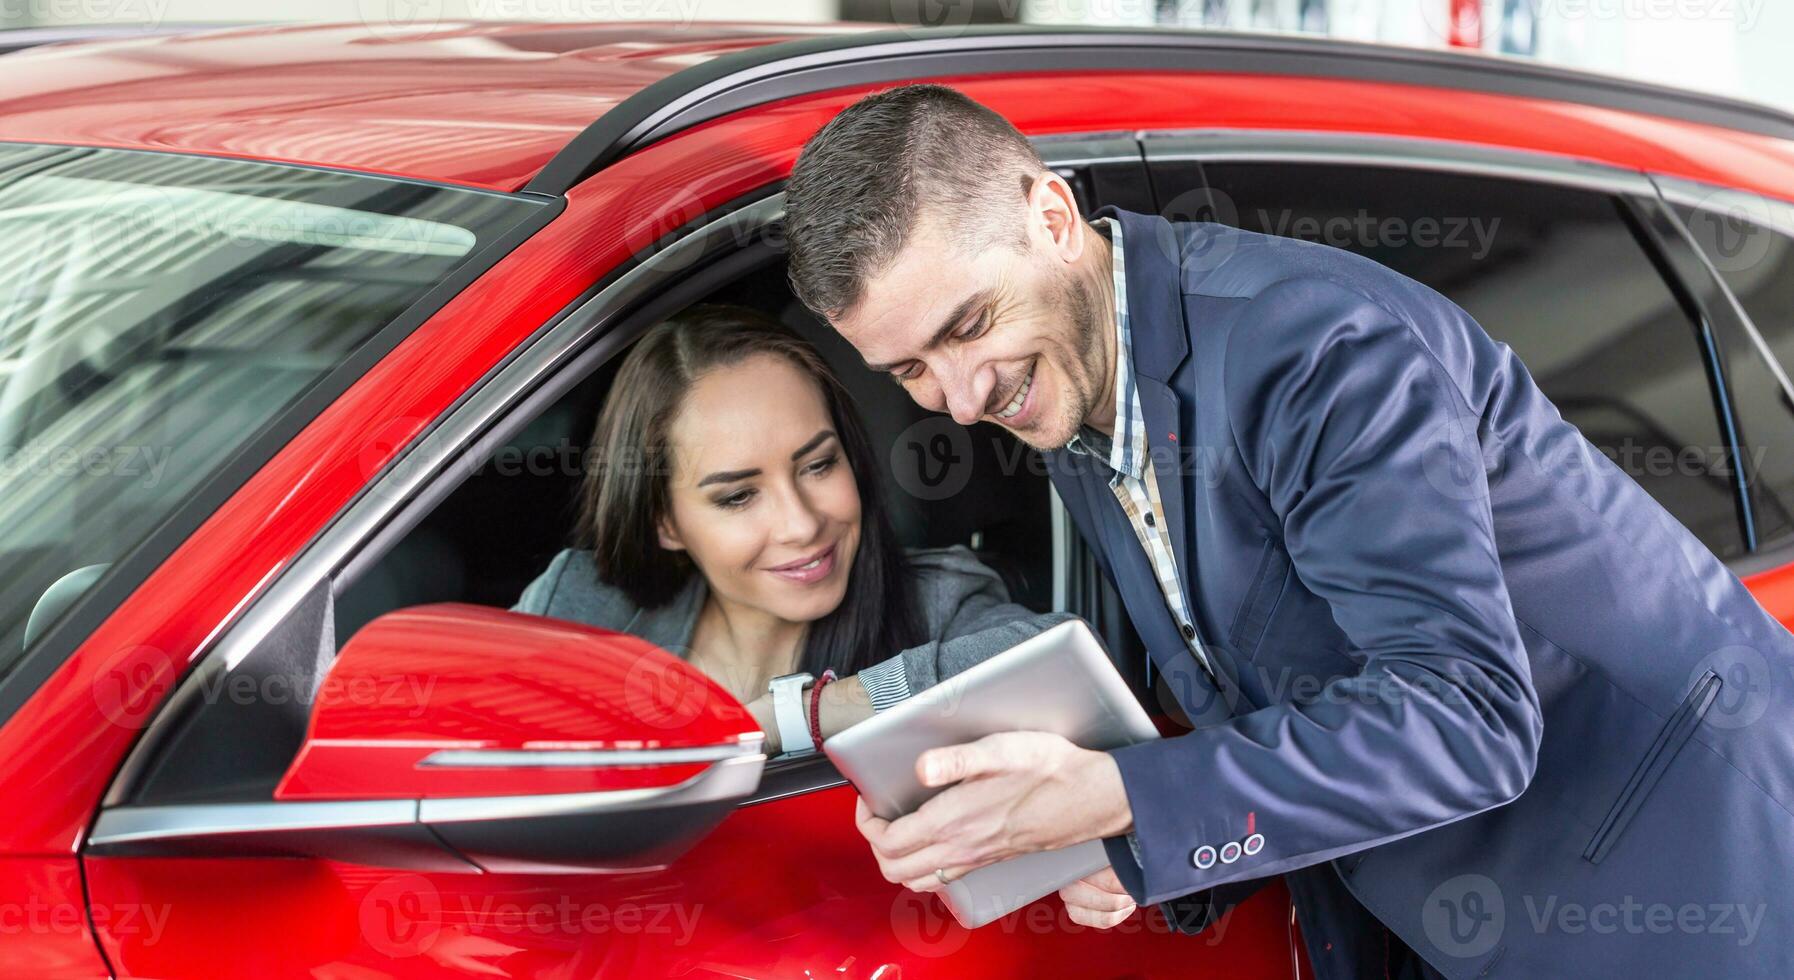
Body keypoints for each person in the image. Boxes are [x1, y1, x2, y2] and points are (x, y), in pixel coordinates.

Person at [782, 84, 1794, 978]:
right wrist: (1123, 842)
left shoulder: (1312, 348)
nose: (959, 399)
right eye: (910, 370)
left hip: (1688, 882)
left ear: (1052, 216)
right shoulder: (1072, 392)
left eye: (966, 326)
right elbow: (1268, 692)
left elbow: (1467, 718)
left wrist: (1122, 793)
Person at [512, 303, 1069, 756]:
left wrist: (804, 715)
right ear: (664, 522)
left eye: (819, 465)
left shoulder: (936, 603)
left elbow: (1057, 668)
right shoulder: (583, 609)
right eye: (738, 496)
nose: (802, 524)